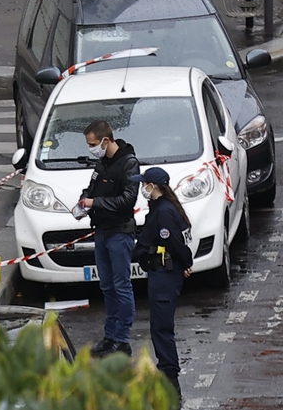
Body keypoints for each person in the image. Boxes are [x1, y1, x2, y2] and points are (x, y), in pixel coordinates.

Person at [76, 120, 140, 357]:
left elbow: (127, 200)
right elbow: (91, 189)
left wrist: (95, 203)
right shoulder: (102, 163)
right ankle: (110, 335)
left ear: (106, 140)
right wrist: (83, 202)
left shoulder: (129, 164)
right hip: (102, 231)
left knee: (122, 286)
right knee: (107, 286)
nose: (91, 148)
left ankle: (122, 339)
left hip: (120, 232)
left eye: (93, 144)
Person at [129, 167, 193, 403]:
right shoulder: (161, 207)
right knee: (159, 327)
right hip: (161, 274)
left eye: (144, 184)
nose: (142, 188)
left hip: (164, 276)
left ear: (153, 187)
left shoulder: (164, 212)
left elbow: (175, 243)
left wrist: (186, 262)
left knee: (162, 329)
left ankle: (170, 382)